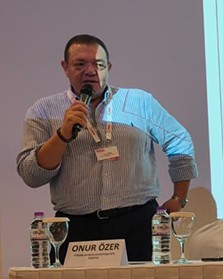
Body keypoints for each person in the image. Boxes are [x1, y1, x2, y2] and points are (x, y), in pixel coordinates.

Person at [16, 34, 198, 262]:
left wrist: (179, 198)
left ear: (109, 67)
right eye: (80, 64)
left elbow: (180, 141)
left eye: (99, 65)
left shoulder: (139, 102)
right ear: (65, 68)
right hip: (76, 227)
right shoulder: (43, 111)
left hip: (138, 223)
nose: (90, 71)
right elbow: (31, 175)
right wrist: (62, 135)